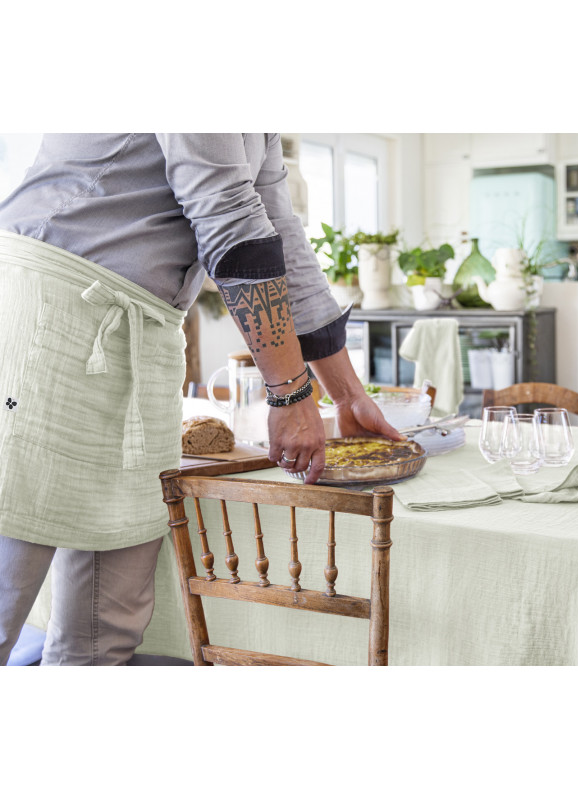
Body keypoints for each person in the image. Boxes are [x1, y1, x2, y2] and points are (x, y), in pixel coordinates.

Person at [0, 133, 401, 666]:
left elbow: (282, 235)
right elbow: (228, 220)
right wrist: (289, 390)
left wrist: (346, 394)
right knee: (7, 596)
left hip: (145, 335)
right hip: (51, 316)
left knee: (107, 630)